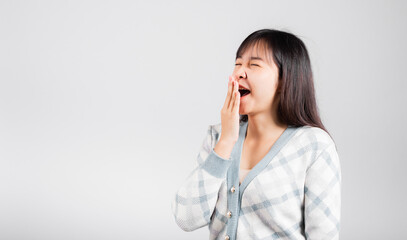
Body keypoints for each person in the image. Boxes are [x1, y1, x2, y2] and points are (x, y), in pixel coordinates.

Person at [171, 28, 341, 240]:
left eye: (254, 65)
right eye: (238, 63)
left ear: (284, 80)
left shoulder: (314, 145)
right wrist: (226, 141)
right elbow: (186, 218)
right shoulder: (217, 137)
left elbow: (324, 235)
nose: (239, 72)